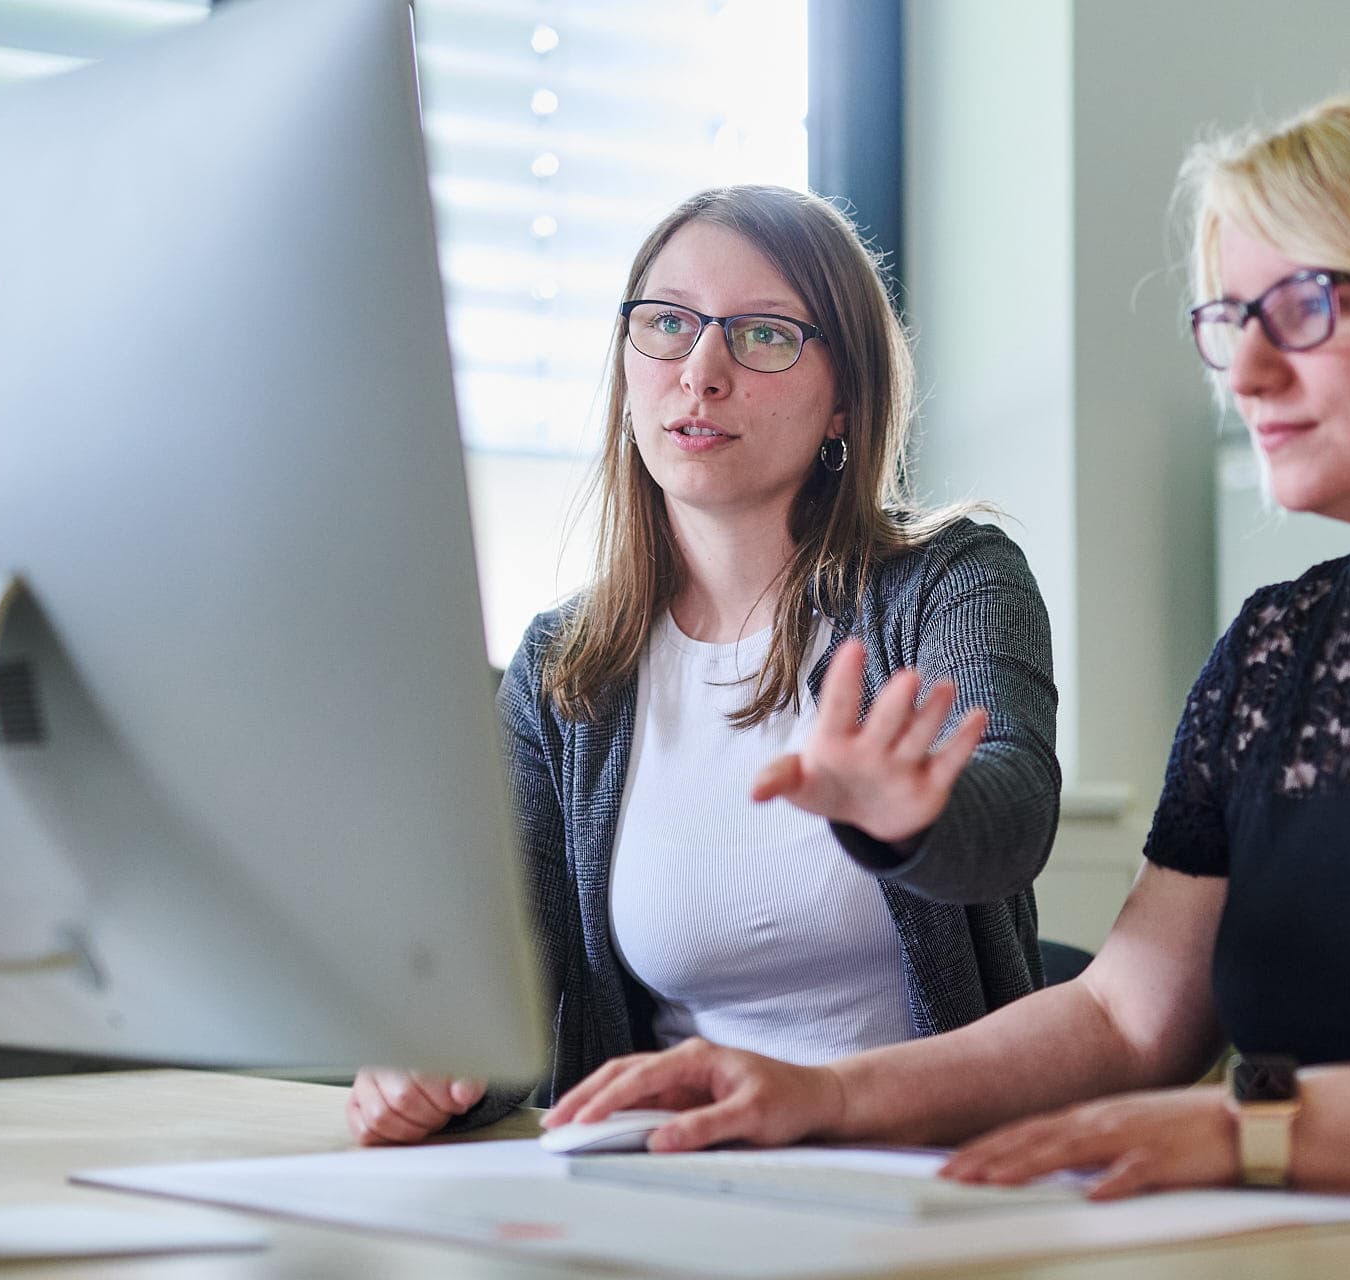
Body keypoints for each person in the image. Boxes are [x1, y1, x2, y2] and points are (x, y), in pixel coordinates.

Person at [541, 84, 1350, 1221]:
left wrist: (1253, 1131)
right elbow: (1129, 1018)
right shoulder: (1279, 646)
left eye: (1309, 305)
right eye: (1230, 317)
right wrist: (824, 1096)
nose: (1246, 367)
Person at [345, 185, 1060, 1144]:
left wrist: (914, 812)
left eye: (764, 335)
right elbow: (523, 991)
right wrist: (445, 1063)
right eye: (669, 324)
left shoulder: (950, 582)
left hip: (927, 1176)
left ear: (845, 396)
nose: (701, 371)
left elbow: (1012, 813)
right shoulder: (565, 671)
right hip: (678, 1179)